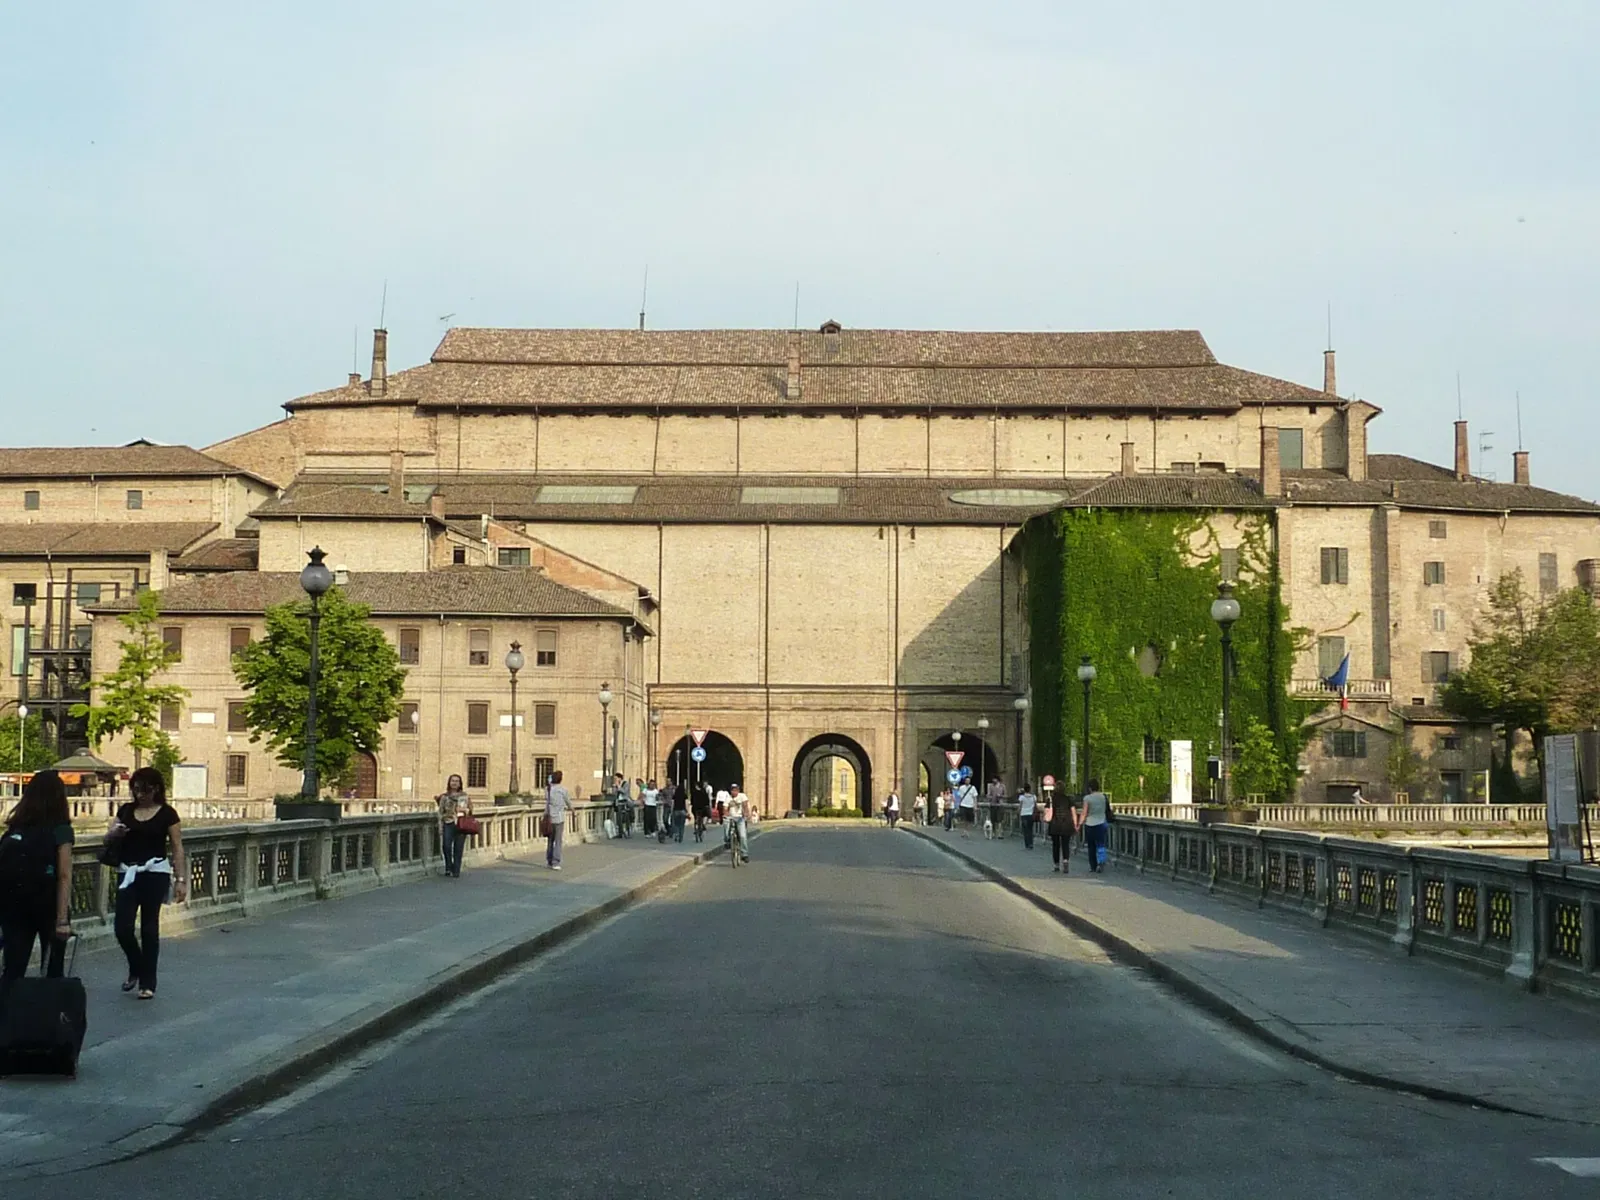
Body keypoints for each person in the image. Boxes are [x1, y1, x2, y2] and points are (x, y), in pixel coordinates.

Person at [107, 766, 189, 999]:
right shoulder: (125, 811)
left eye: (144, 790)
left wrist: (180, 879)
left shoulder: (167, 814)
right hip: (128, 872)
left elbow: (176, 847)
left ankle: (147, 982)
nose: (139, 794)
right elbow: (108, 836)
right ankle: (136, 964)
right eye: (135, 789)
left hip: (155, 872)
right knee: (122, 927)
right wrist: (116, 833)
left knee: (149, 927)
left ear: (156, 789)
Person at [0, 770, 75, 981]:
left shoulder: (15, 828)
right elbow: (63, 875)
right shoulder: (61, 830)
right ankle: (47, 1013)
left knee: (13, 968)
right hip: (48, 905)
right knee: (52, 971)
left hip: (13, 906)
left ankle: (9, 1011)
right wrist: (62, 920)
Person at [436, 774, 471, 878]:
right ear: (449, 783)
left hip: (461, 823)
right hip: (448, 823)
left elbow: (471, 810)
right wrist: (440, 826)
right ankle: (448, 867)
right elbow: (440, 812)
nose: (454, 783)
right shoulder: (444, 797)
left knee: (458, 848)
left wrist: (466, 810)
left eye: (456, 781)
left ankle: (456, 870)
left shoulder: (464, 796)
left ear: (460, 783)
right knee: (446, 846)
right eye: (452, 781)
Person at [1076, 778, 1111, 873]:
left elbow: (1084, 813)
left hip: (1090, 824)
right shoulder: (1103, 797)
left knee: (1091, 846)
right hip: (1101, 823)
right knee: (1101, 844)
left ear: (1090, 788)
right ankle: (1101, 861)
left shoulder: (1087, 798)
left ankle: (1093, 866)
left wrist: (1079, 824)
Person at [544, 770, 572, 870]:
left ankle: (549, 860)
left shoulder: (548, 790)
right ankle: (556, 862)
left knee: (550, 840)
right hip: (559, 818)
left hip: (549, 818)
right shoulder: (563, 790)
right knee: (558, 841)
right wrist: (572, 810)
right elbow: (568, 801)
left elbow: (547, 802)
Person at [1046, 784, 1075, 873]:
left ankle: (1056, 865)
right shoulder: (1068, 799)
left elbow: (1047, 811)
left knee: (1056, 845)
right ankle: (1065, 861)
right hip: (1066, 824)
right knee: (1065, 844)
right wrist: (1076, 823)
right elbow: (1073, 811)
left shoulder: (1051, 799)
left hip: (1055, 825)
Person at [724, 783, 750, 862]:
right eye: (733, 790)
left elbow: (745, 805)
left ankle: (744, 854)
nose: (734, 792)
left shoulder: (742, 796)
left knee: (742, 835)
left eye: (736, 790)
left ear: (738, 790)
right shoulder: (728, 798)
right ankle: (727, 840)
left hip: (740, 817)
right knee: (726, 823)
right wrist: (726, 814)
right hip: (731, 817)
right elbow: (725, 808)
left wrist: (746, 813)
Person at [1017, 780, 1038, 850]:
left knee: (1025, 830)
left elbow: (1020, 806)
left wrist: (1018, 813)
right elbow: (1035, 806)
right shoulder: (1034, 797)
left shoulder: (1022, 797)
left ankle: (1027, 844)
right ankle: (1031, 843)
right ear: (1030, 789)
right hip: (1031, 814)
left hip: (1024, 814)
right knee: (1030, 829)